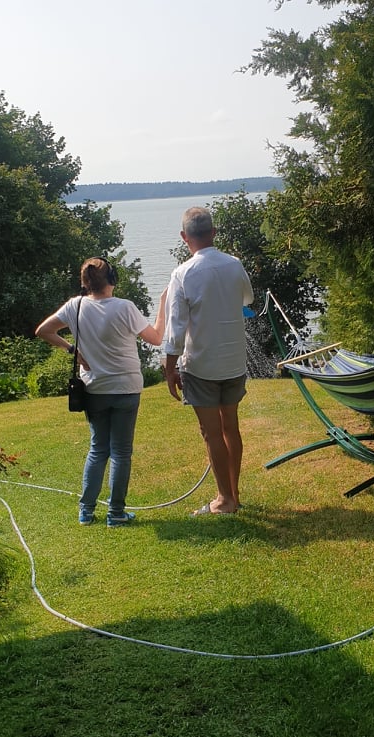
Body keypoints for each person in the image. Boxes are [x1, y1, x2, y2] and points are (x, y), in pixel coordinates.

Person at [35, 256, 167, 527]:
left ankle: (86, 511)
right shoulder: (125, 307)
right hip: (127, 388)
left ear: (85, 283)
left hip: (94, 389)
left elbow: (43, 331)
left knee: (98, 449)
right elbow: (155, 338)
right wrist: (163, 306)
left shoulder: (75, 306)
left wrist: (73, 350)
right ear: (112, 279)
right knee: (121, 452)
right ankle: (116, 513)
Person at [164, 207, 254, 516]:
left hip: (201, 364)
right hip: (234, 361)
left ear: (184, 237)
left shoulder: (182, 274)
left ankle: (224, 499)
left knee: (212, 432)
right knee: (231, 427)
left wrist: (169, 369)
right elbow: (247, 299)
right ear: (213, 233)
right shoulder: (234, 264)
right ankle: (234, 494)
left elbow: (175, 330)